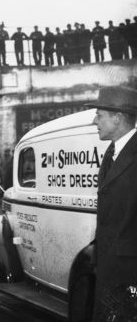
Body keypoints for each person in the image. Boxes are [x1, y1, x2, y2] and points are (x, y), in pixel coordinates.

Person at [86, 86, 137, 321]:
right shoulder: (112, 151)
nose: (94, 121)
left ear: (118, 118)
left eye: (100, 115)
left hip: (130, 271)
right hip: (110, 266)